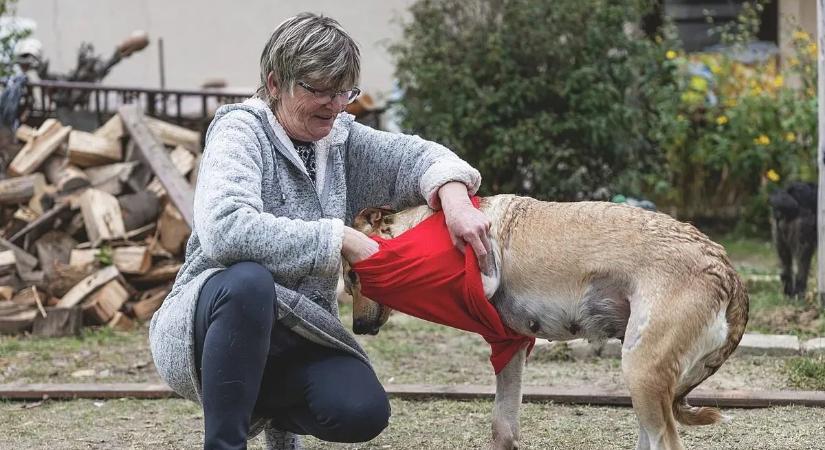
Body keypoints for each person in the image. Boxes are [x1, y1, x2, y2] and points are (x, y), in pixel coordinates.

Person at [149, 12, 491, 450]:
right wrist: (339, 238)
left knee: (361, 411)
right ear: (275, 84)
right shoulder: (240, 131)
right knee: (250, 282)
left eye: (344, 91)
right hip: (209, 325)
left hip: (299, 328)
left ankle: (275, 423)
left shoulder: (340, 140)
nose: (336, 104)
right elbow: (225, 229)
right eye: (320, 90)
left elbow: (418, 157)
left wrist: (457, 199)